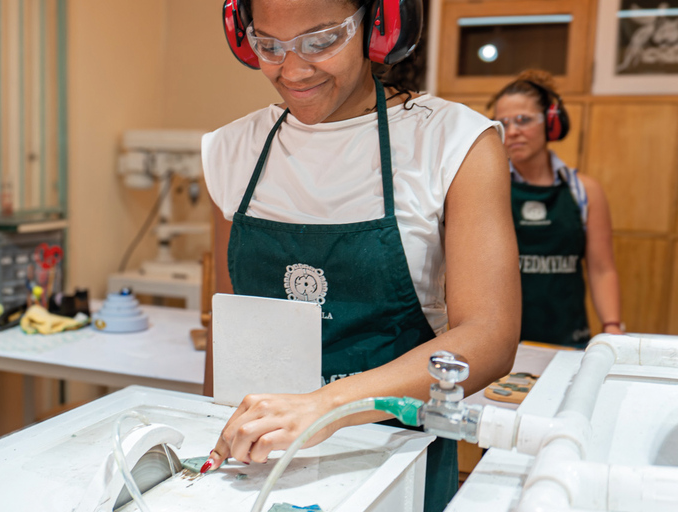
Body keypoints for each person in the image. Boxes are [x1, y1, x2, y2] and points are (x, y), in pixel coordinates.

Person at [201, 1, 521, 510]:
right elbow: (229, 324)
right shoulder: (231, 151)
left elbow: (490, 336)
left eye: (321, 40)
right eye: (269, 46)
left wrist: (324, 407)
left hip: (395, 457)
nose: (293, 70)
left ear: (379, 25)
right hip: (258, 463)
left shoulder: (453, 142)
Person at [490, 69, 623, 348]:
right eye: (503, 123)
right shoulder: (488, 189)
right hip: (503, 345)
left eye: (523, 120)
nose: (513, 131)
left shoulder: (584, 191)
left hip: (569, 340)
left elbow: (602, 270)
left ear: (551, 123)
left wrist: (612, 329)